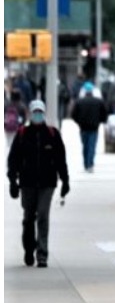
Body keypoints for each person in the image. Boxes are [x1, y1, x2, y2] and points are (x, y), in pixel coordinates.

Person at [7, 100, 70, 268]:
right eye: (35, 112)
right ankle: (29, 248)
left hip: (47, 183)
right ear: (30, 113)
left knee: (43, 215)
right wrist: (12, 181)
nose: (37, 115)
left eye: (40, 112)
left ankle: (42, 254)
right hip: (27, 183)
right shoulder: (22, 134)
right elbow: (13, 160)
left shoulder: (52, 134)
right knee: (29, 218)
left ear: (44, 113)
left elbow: (60, 159)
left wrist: (65, 180)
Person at [71, 81, 108, 172]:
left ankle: (85, 164)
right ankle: (90, 164)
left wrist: (79, 122)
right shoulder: (98, 102)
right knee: (92, 146)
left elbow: (73, 114)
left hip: (83, 127)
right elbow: (104, 114)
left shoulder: (79, 102)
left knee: (85, 146)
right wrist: (100, 121)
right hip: (94, 127)